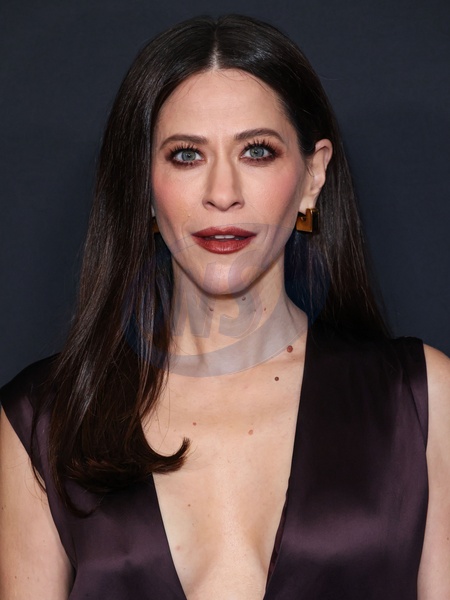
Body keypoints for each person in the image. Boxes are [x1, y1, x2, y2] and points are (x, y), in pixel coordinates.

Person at [0, 13, 449, 600]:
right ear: (143, 184)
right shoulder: (43, 421)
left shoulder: (422, 400)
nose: (222, 193)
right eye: (186, 155)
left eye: (257, 151)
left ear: (312, 176)